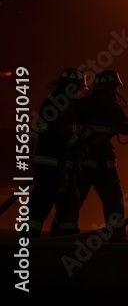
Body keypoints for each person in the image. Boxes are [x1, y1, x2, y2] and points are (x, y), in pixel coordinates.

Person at [72, 70, 128, 242]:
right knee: (112, 202)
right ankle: (117, 237)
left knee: (74, 203)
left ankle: (61, 236)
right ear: (108, 88)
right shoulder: (105, 106)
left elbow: (123, 127)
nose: (117, 92)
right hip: (92, 163)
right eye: (115, 88)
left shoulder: (85, 104)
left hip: (92, 163)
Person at [24, 67, 87, 238]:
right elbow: (58, 132)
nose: (79, 92)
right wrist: (77, 143)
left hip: (61, 167)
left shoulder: (66, 105)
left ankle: (67, 240)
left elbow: (71, 131)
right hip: (49, 166)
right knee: (41, 205)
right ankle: (28, 243)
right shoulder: (55, 104)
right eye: (76, 88)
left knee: (68, 206)